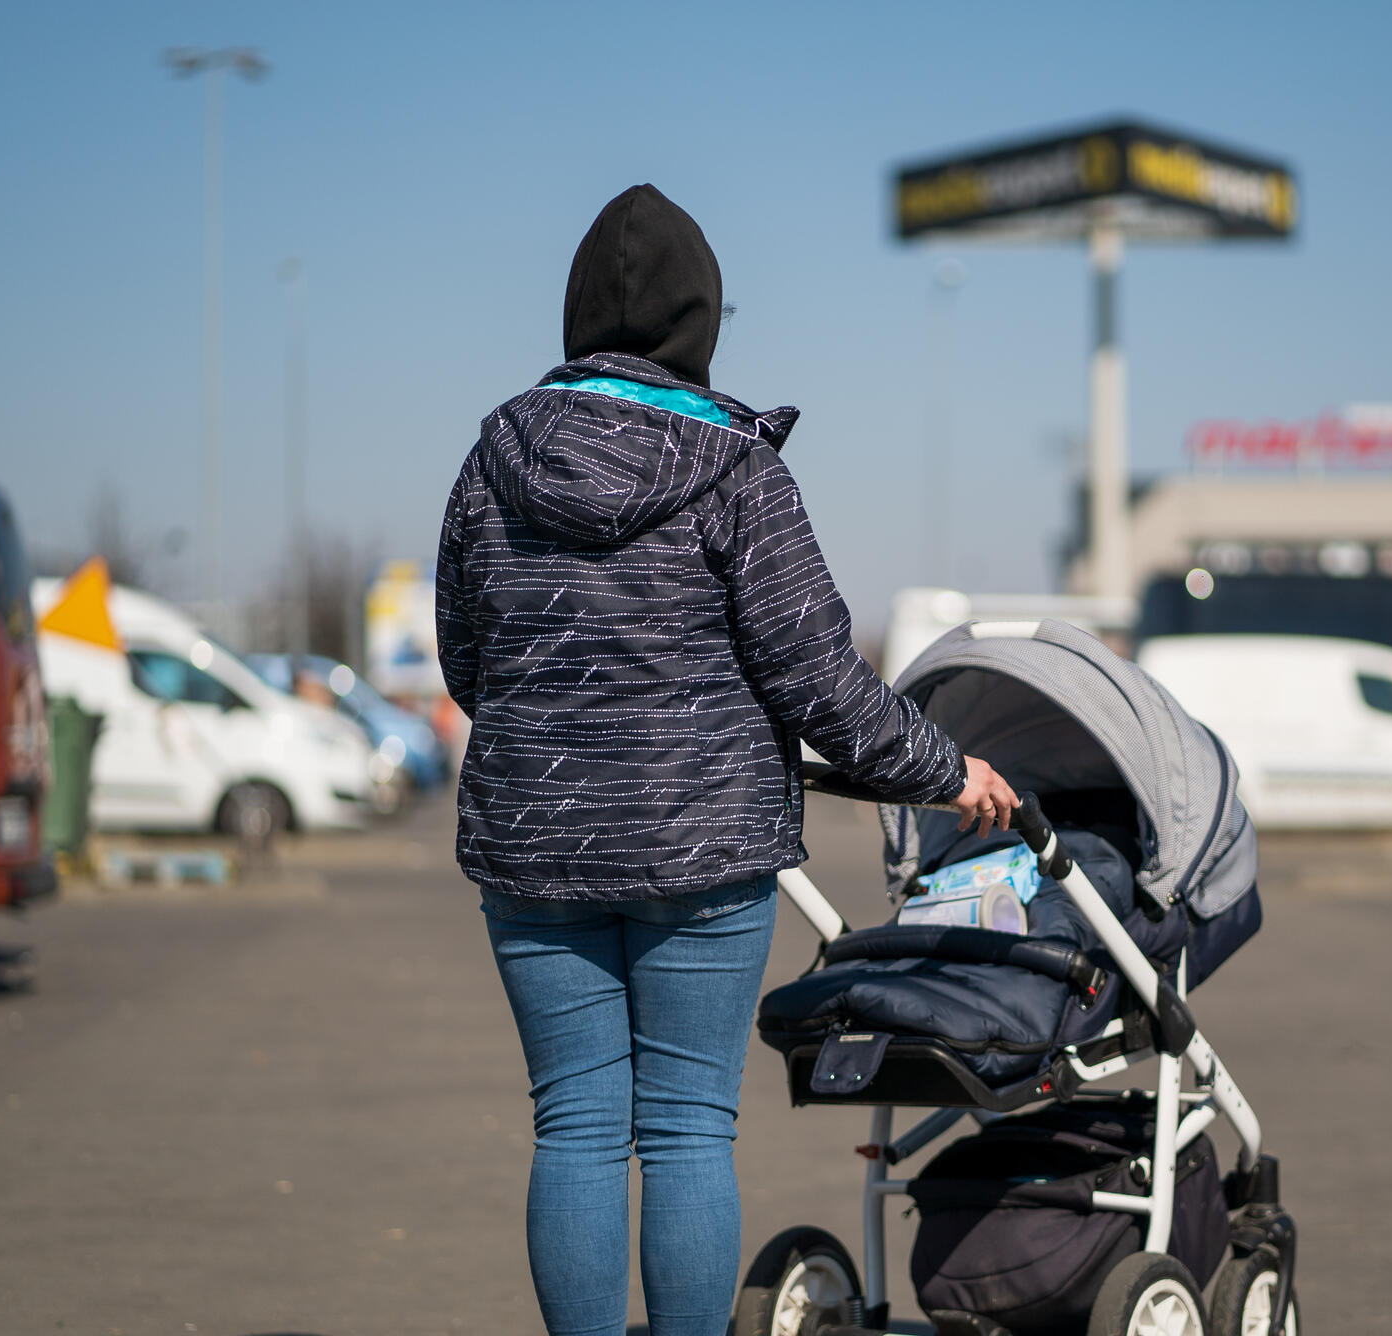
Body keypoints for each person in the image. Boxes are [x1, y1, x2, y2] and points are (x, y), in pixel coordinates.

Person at [435, 183, 1017, 1336]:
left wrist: (554, 736)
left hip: (532, 847)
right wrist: (947, 769)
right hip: (703, 851)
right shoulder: (737, 470)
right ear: (701, 322)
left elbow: (466, 659)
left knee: (575, 1127)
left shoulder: (492, 460)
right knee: (689, 1126)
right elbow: (819, 685)